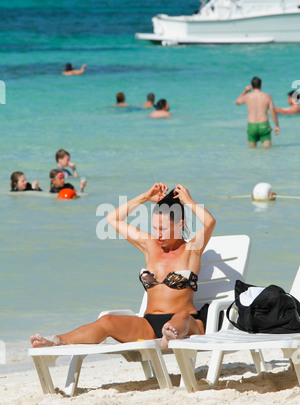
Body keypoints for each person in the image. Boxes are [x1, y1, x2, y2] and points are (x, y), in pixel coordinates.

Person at [30, 183, 216, 349]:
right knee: (107, 321)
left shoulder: (192, 249)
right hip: (149, 324)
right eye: (155, 228)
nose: (158, 234)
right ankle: (57, 341)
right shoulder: (150, 246)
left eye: (163, 229)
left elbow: (209, 222)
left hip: (187, 324)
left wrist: (188, 201)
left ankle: (170, 334)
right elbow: (112, 219)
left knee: (180, 317)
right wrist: (145, 197)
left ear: (180, 224)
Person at [235, 77, 279, 148]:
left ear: (251, 86)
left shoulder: (247, 96)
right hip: (264, 125)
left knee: (252, 151)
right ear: (261, 84)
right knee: (267, 151)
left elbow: (237, 102)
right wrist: (277, 126)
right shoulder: (267, 96)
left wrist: (245, 91)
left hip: (252, 125)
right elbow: (272, 111)